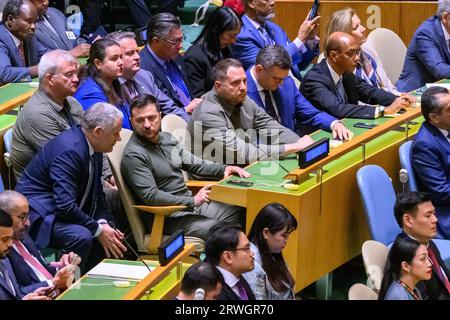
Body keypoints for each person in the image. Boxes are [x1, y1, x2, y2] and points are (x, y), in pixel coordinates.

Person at [15, 103, 127, 273]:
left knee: (110, 229)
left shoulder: (95, 145)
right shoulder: (70, 151)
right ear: (97, 132)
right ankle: (69, 288)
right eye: (115, 133)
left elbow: (97, 193)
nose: (118, 138)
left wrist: (102, 223)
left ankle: (98, 278)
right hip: (40, 215)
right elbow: (65, 206)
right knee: (82, 235)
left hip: (62, 208)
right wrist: (97, 229)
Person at [121, 94, 249, 240]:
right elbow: (151, 196)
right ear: (131, 122)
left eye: (151, 118)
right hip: (167, 218)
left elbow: (195, 164)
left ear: (160, 116)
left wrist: (224, 169)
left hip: (190, 206)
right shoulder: (134, 155)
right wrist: (192, 201)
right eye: (140, 120)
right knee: (223, 232)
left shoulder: (166, 138)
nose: (147, 125)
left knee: (244, 208)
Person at [187, 58, 314, 166]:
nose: (243, 87)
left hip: (241, 168)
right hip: (213, 180)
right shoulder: (207, 114)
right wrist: (294, 147)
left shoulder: (244, 100)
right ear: (219, 86)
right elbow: (243, 152)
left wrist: (302, 144)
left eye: (244, 81)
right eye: (236, 83)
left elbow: (273, 128)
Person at [300, 32, 415, 119]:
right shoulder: (314, 80)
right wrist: (383, 111)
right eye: (351, 53)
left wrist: (398, 100)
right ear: (334, 56)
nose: (357, 58)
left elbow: (370, 92)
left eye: (357, 52)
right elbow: (338, 109)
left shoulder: (346, 74)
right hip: (317, 136)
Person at [247, 44, 352, 139]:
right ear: (259, 70)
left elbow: (310, 113)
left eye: (283, 78)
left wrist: (334, 124)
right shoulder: (240, 92)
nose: (281, 83)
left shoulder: (287, 83)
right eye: (276, 79)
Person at [11, 49, 83, 178]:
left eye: (75, 74)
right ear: (50, 79)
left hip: (74, 181)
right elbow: (66, 163)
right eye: (69, 75)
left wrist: (107, 175)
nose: (76, 79)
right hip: (43, 193)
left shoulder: (72, 102)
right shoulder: (37, 115)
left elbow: (94, 139)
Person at [0, 191, 80, 296]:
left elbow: (41, 267)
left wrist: (62, 265)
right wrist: (53, 282)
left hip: (57, 292)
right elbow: (15, 293)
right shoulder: (3, 252)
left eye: (27, 216)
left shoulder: (23, 235)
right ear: (5, 216)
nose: (27, 223)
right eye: (22, 217)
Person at [105, 31, 189, 120]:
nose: (137, 57)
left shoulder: (144, 76)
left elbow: (171, 109)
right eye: (130, 53)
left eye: (137, 52)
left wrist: (194, 127)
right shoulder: (108, 85)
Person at [232, 0, 320, 81]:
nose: (273, 2)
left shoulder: (274, 28)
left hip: (295, 87)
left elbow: (296, 65)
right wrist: (300, 40)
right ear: (251, 3)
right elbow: (269, 66)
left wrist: (309, 40)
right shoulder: (241, 35)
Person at [140, 13, 202, 121]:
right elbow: (153, 112)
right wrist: (186, 109)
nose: (181, 46)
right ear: (156, 41)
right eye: (175, 41)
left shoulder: (174, 55)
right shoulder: (143, 70)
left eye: (181, 39)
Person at [325, 7, 399, 95]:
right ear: (343, 35)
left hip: (385, 99)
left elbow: (386, 84)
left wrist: (398, 96)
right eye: (356, 27)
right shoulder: (340, 62)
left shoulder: (368, 49)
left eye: (360, 24)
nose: (363, 29)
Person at [394, 192, 450, 300]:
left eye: (434, 213)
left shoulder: (426, 241)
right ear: (408, 220)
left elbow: (444, 276)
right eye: (428, 215)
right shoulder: (407, 258)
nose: (435, 219)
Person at [411, 86, 450, 239]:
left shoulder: (446, 125)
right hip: (444, 213)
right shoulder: (424, 145)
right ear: (434, 117)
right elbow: (441, 193)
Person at [183, 6, 242, 98]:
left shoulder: (226, 48)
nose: (234, 41)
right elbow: (197, 97)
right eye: (231, 36)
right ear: (215, 31)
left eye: (236, 36)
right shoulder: (194, 57)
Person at [74, 38, 133, 129]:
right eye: (114, 59)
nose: (121, 62)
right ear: (98, 63)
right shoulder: (89, 94)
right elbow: (110, 129)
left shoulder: (112, 82)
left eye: (121, 57)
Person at [243, 203, 297, 300]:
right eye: (284, 235)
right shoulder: (252, 267)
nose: (287, 240)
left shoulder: (273, 255)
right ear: (266, 233)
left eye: (288, 235)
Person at [397, 0, 450, 92]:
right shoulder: (426, 33)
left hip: (439, 91)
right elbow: (439, 70)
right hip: (413, 94)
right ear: (445, 17)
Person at [0, 209, 50, 300]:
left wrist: (28, 297)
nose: (10, 244)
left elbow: (15, 294)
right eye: (5, 239)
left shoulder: (4, 259)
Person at [205, 223, 256, 300]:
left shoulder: (236, 275)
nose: (252, 253)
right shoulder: (215, 294)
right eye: (246, 248)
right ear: (228, 257)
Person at [0, 0, 39, 85]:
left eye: (35, 22)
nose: (33, 27)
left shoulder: (27, 35)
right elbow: (4, 74)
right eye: (28, 21)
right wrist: (40, 69)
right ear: (11, 20)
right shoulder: (1, 38)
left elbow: (45, 54)